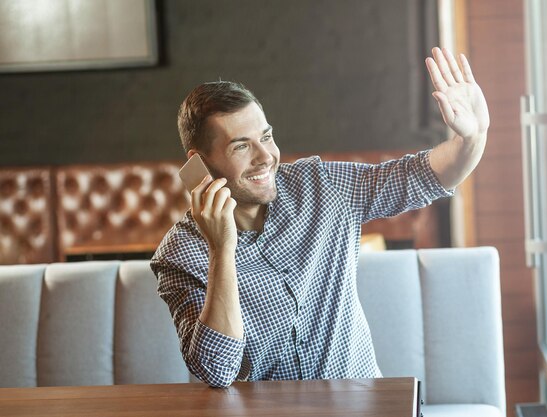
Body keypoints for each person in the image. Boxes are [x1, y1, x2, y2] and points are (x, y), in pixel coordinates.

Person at [150, 47, 489, 387]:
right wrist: (222, 249)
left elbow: (420, 177)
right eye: (241, 146)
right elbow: (217, 371)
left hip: (363, 407)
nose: (265, 156)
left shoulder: (322, 186)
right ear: (199, 163)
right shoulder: (179, 255)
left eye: (266, 137)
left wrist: (472, 137)